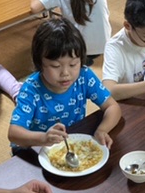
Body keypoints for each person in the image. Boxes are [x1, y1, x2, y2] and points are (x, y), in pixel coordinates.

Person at [9, 17, 121, 150]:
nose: (65, 73)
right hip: (34, 146)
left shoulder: (84, 76)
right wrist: (44, 138)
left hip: (70, 140)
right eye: (55, 66)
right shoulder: (31, 90)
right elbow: (14, 133)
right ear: (39, 64)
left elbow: (112, 107)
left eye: (73, 64)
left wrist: (102, 130)